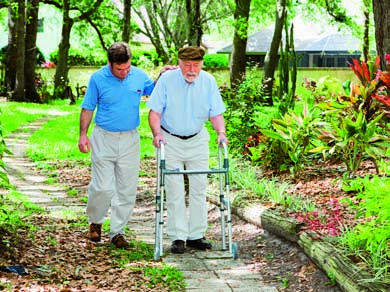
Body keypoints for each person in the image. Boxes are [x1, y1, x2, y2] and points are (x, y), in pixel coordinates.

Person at [146, 46, 228, 254]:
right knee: (174, 189)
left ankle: (196, 235)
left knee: (199, 187)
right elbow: (154, 112)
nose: (191, 70)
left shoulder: (208, 81)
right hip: (170, 139)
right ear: (179, 64)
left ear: (201, 64)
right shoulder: (166, 80)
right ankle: (178, 236)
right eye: (187, 65)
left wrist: (221, 133)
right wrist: (157, 134)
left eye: (196, 65)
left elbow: (216, 113)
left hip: (197, 139)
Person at [78, 42, 156, 248]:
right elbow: (87, 107)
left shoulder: (138, 75)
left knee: (127, 188)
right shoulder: (98, 78)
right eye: (119, 69)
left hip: (130, 138)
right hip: (104, 137)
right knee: (103, 187)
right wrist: (83, 135)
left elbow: (156, 89)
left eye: (127, 68)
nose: (124, 72)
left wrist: (165, 75)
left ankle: (117, 232)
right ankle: (95, 222)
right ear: (110, 64)